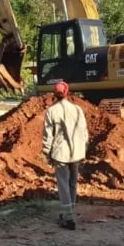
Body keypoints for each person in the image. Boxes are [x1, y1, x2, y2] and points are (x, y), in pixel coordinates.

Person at [41, 80, 89, 229]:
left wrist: (46, 152)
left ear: (54, 94)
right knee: (73, 183)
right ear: (67, 92)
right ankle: (71, 211)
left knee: (63, 184)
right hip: (77, 153)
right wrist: (84, 149)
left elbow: (48, 135)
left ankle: (68, 218)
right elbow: (84, 132)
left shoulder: (51, 111)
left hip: (60, 153)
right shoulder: (78, 110)